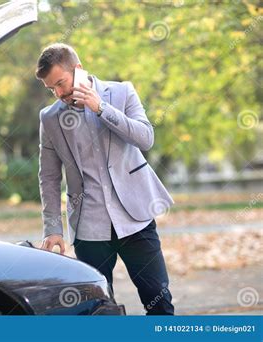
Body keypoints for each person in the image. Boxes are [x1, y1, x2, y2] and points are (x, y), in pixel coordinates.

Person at [36, 43, 174, 315]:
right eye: (52, 89)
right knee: (97, 313)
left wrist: (101, 108)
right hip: (89, 229)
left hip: (135, 219)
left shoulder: (122, 92)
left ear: (77, 69)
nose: (59, 93)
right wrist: (52, 228)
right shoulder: (50, 118)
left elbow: (145, 138)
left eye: (61, 83)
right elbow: (49, 177)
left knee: (159, 302)